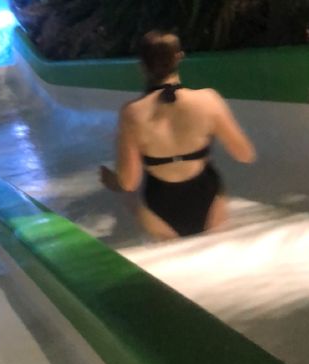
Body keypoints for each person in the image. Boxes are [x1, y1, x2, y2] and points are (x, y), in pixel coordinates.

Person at [99, 30, 256, 239]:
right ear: (179, 57)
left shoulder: (132, 113)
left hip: (159, 205)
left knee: (129, 201)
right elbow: (244, 154)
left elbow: (129, 182)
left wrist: (112, 180)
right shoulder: (208, 100)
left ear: (142, 66)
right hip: (208, 199)